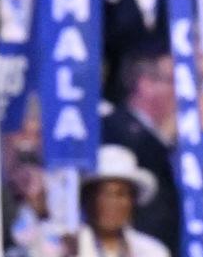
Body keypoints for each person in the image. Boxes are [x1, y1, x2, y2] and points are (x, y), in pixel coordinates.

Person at [101, 53, 180, 256]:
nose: (182, 92)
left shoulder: (167, 138)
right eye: (174, 81)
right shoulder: (115, 127)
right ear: (145, 84)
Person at [76, 144, 170, 257]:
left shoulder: (152, 251)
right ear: (88, 198)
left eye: (121, 194)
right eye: (105, 194)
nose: (112, 202)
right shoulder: (65, 248)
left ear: (132, 201)